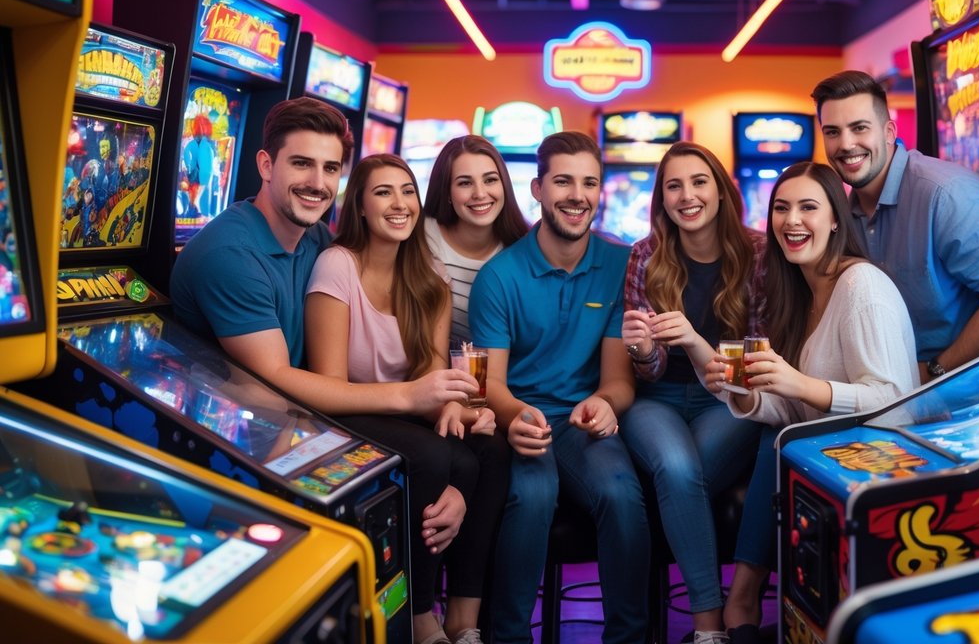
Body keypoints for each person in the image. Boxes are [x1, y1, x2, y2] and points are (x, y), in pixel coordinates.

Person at [171, 98, 480, 640]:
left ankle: (433, 617)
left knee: (466, 453)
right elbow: (275, 381)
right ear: (266, 166)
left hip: (293, 422)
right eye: (301, 165)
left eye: (330, 168)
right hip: (231, 436)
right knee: (428, 453)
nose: (317, 183)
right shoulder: (229, 253)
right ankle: (410, 620)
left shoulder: (312, 233)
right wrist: (410, 397)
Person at [709, 161, 919, 642]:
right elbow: (792, 410)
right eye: (781, 208)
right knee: (773, 436)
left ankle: (741, 604)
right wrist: (741, 389)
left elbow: (893, 403)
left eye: (808, 207)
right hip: (824, 467)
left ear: (835, 219)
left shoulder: (861, 286)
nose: (792, 220)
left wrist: (798, 384)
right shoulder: (802, 290)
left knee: (775, 445)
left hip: (875, 476)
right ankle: (746, 610)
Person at [306, 153, 510, 644]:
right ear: (359, 205)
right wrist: (452, 457)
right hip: (345, 412)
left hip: (407, 408)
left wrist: (462, 410)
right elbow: (329, 388)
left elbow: (429, 374)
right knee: (437, 456)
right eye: (383, 192)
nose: (399, 204)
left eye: (407, 192)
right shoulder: (337, 265)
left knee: (493, 448)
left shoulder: (429, 274)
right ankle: (420, 617)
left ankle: (465, 619)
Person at [468, 130, 650, 644]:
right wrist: (514, 417)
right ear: (537, 189)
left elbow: (618, 381)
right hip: (521, 417)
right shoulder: (498, 277)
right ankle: (509, 637)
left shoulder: (621, 266)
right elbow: (490, 387)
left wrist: (606, 403)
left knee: (622, 496)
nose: (577, 195)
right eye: (563, 181)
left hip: (582, 421)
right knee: (532, 494)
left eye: (589, 182)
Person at [618, 141, 764, 644]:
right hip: (656, 400)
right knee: (677, 470)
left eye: (698, 182)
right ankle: (709, 627)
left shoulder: (759, 253)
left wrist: (698, 343)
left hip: (728, 399)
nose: (687, 195)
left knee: (681, 476)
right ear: (662, 199)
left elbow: (751, 372)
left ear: (721, 191)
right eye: (673, 186)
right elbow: (652, 369)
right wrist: (639, 350)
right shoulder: (646, 255)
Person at [811, 70, 979, 382]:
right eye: (832, 132)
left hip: (971, 394)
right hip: (888, 393)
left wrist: (933, 373)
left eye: (859, 128)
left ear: (889, 131)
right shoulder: (843, 213)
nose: (846, 144)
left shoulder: (946, 194)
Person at [422, 135, 530, 350]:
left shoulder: (525, 248)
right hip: (432, 370)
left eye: (490, 180)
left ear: (504, 186)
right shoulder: (421, 239)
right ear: (447, 192)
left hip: (504, 373)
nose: (480, 193)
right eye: (465, 183)